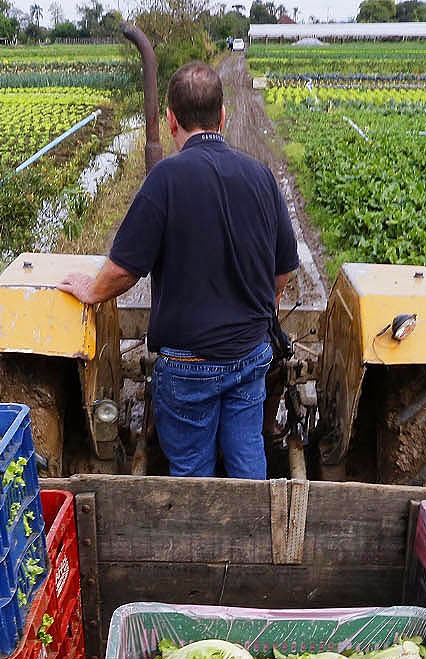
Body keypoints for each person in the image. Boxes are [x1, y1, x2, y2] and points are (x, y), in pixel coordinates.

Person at [58, 61, 298, 479]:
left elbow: (123, 271)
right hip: (249, 356)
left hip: (189, 365)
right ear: (223, 117)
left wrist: (92, 290)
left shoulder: (164, 179)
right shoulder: (261, 176)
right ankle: (255, 532)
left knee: (190, 471)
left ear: (171, 121)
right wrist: (263, 308)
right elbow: (284, 270)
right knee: (247, 460)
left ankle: (194, 534)